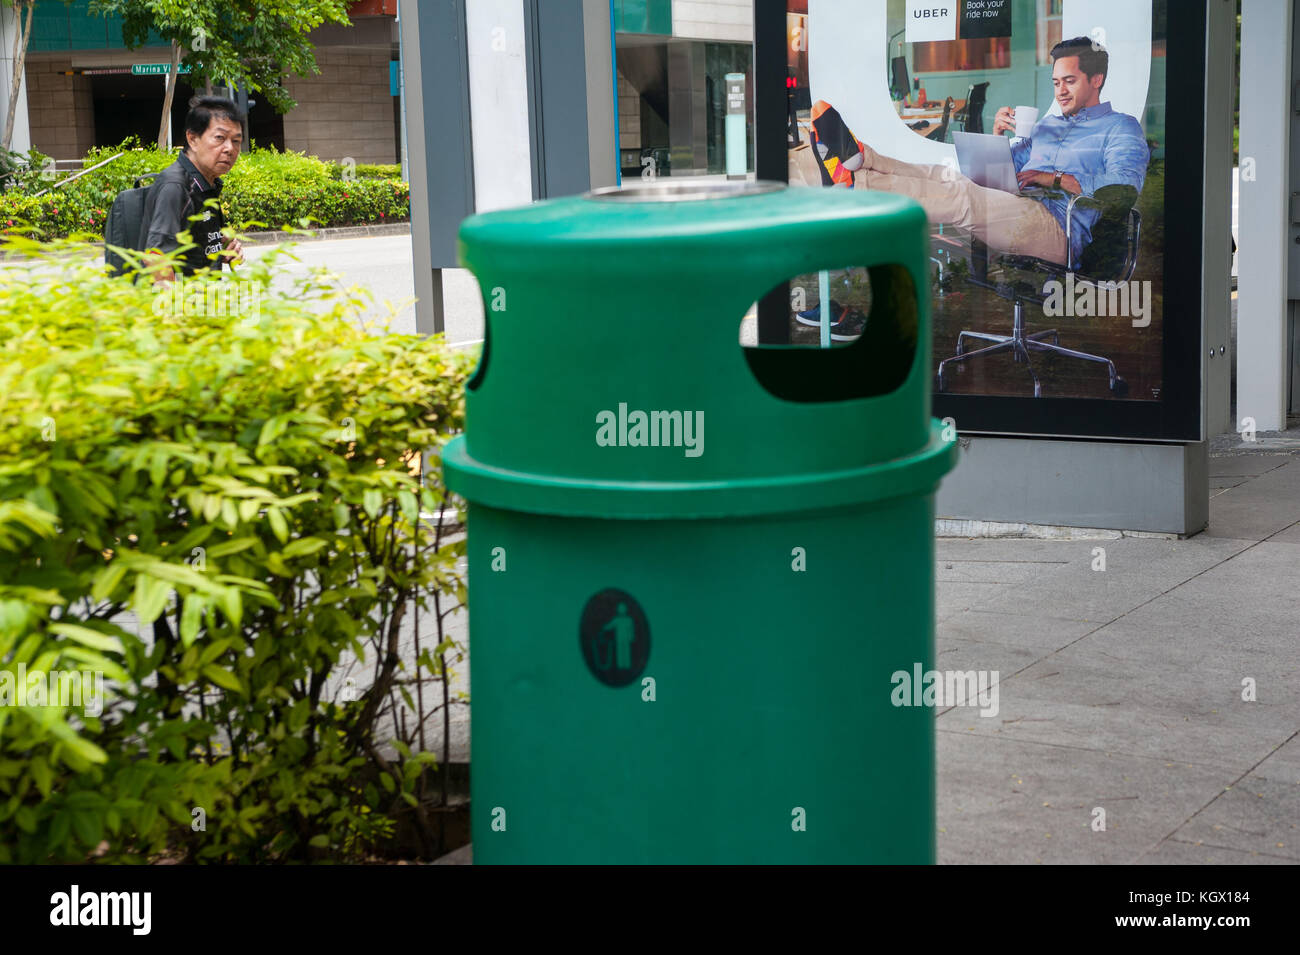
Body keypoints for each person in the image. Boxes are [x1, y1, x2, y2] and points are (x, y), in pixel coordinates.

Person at [855, 37, 1149, 265]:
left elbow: (1123, 189)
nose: (1060, 91)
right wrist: (996, 136)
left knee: (961, 197)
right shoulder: (1049, 125)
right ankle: (864, 160)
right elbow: (1005, 173)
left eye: (1069, 81)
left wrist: (1053, 178)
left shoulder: (1121, 128)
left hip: (1062, 229)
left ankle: (858, 186)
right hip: (1018, 206)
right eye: (1056, 83)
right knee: (946, 176)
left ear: (1096, 80)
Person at [141, 95, 246, 284]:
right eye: (220, 138)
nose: (230, 148)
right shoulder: (176, 186)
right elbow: (156, 259)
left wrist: (219, 245)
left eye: (236, 141)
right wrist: (176, 311)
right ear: (193, 139)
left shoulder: (206, 184)